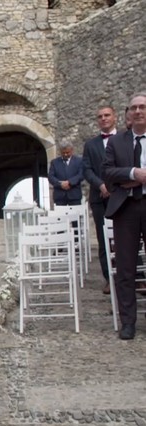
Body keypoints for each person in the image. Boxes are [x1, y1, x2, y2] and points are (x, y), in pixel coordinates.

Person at [103, 92, 146, 340]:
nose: (138, 111)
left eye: (142, 107)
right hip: (126, 209)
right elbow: (107, 172)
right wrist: (133, 174)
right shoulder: (117, 142)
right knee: (126, 268)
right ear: (128, 113)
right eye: (134, 108)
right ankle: (128, 322)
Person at [83, 106, 117, 294]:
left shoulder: (125, 139)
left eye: (107, 115)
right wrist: (101, 185)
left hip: (122, 196)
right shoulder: (90, 144)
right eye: (100, 117)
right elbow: (87, 169)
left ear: (115, 117)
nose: (103, 119)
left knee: (129, 236)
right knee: (103, 239)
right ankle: (108, 278)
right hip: (99, 198)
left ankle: (137, 277)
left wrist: (115, 187)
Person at [48, 141, 84, 206]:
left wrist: (69, 182)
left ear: (72, 151)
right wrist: (60, 184)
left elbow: (81, 175)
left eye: (67, 152)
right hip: (59, 197)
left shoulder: (79, 161)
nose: (65, 154)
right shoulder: (54, 162)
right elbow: (51, 177)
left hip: (74, 196)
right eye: (63, 153)